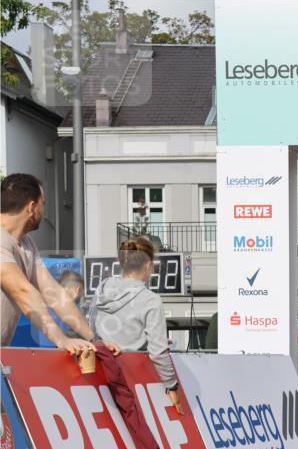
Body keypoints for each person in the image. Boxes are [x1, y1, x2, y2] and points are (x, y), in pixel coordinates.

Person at [1, 174, 116, 357]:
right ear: (31, 207)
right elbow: (22, 292)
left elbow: (54, 293)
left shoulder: (27, 244)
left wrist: (94, 340)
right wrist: (61, 339)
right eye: (43, 203)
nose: (44, 211)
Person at [90, 237, 184, 414]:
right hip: (132, 378)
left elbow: (91, 328)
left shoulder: (102, 288)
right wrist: (172, 386)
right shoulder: (150, 300)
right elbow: (158, 352)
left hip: (99, 373)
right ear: (148, 264)